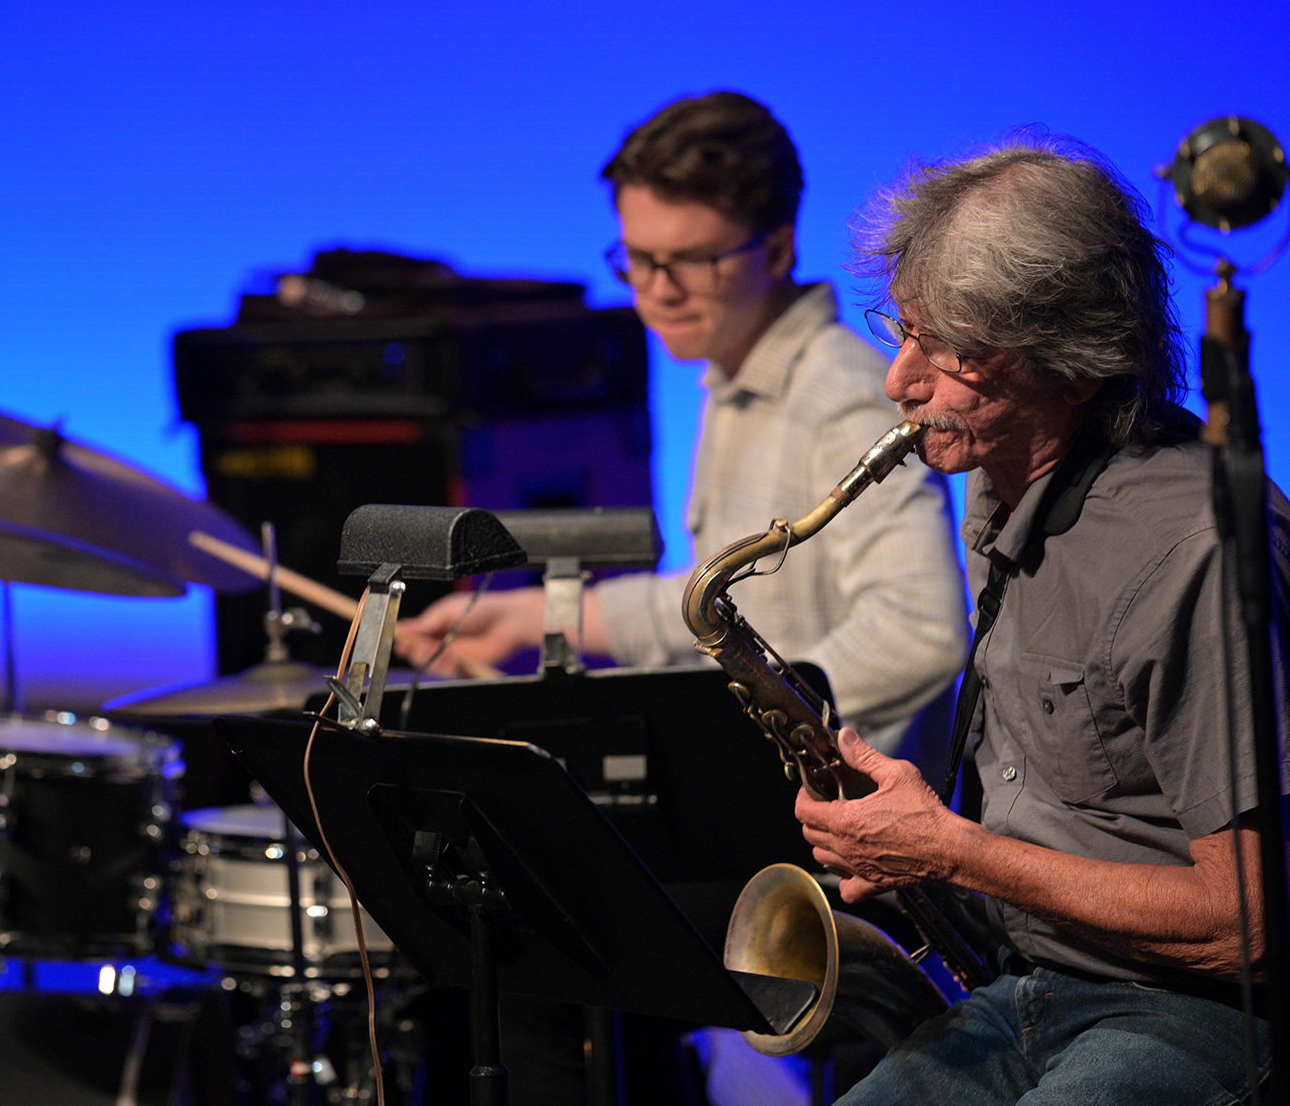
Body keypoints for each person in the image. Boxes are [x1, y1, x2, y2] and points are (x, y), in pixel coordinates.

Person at [798, 135, 1286, 1104]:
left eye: (950, 351)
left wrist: (952, 848)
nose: (899, 382)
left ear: (1071, 365)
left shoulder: (1191, 547)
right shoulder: (1004, 478)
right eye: (903, 330)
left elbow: (1250, 920)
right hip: (1025, 986)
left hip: (1198, 1008)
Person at [397, 91, 968, 755]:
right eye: (639, 259)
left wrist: (716, 730)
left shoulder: (842, 395)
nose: (659, 290)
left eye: (693, 260)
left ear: (779, 248)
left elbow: (920, 629)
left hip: (836, 845)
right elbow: (723, 605)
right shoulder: (733, 376)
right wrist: (540, 617)